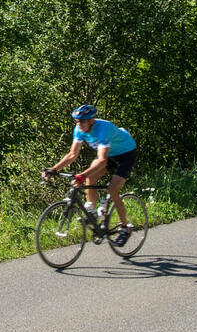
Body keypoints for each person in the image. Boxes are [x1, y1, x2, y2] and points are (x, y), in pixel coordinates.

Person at [42, 104, 138, 245]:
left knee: (112, 190)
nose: (79, 124)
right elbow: (72, 154)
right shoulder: (79, 129)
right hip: (110, 154)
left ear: (91, 120)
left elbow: (101, 160)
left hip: (126, 154)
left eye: (82, 121)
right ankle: (92, 210)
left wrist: (82, 175)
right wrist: (54, 169)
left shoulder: (103, 129)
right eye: (77, 121)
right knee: (90, 178)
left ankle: (125, 228)